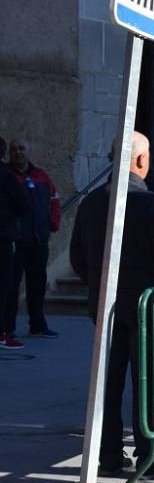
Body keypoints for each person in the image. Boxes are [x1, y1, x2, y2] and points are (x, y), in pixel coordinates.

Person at [70, 131, 154, 477]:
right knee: (146, 380)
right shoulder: (149, 202)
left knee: (108, 381)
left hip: (105, 304)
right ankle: (148, 453)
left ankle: (107, 454)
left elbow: (77, 257)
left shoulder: (91, 202)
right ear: (140, 160)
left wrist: (99, 282)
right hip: (143, 307)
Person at [4, 139, 60, 339]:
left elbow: (54, 199)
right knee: (11, 285)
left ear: (29, 151)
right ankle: (7, 328)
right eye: (13, 150)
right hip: (16, 241)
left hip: (38, 240)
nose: (17, 153)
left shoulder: (41, 176)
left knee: (37, 285)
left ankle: (37, 324)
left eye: (21, 149)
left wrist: (53, 223)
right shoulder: (7, 176)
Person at [0, 137, 29, 349]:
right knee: (4, 286)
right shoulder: (6, 176)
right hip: (3, 237)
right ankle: (2, 333)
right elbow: (22, 205)